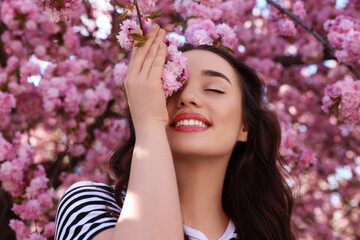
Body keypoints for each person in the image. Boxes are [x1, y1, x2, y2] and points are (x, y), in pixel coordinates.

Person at [54, 24, 295, 240]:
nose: (188, 98)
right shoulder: (93, 205)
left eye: (214, 89)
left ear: (245, 127)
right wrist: (149, 122)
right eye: (173, 87)